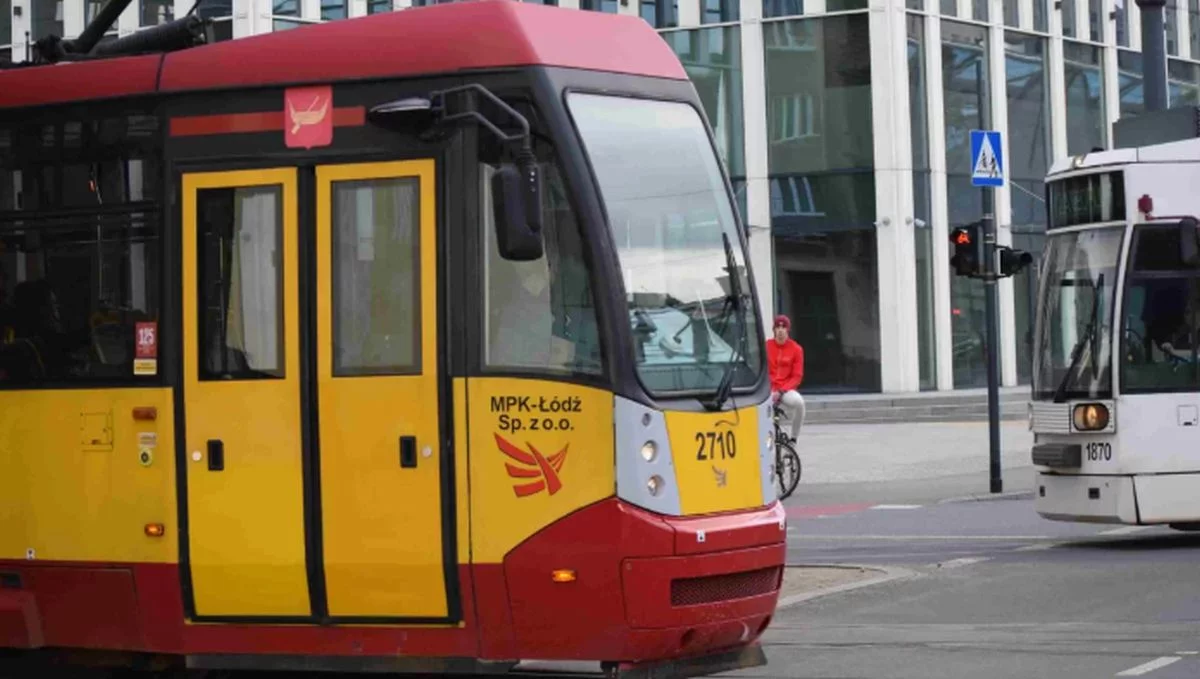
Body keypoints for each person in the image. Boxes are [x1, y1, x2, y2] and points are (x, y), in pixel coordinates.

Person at [767, 314, 805, 443]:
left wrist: (782, 391)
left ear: (788, 330)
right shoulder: (766, 346)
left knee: (799, 403)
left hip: (785, 389)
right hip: (768, 389)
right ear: (774, 330)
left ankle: (793, 438)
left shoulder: (796, 349)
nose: (780, 330)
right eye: (777, 327)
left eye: (783, 327)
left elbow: (797, 376)